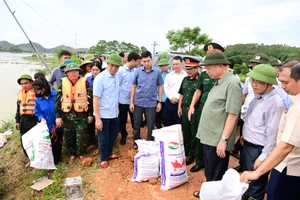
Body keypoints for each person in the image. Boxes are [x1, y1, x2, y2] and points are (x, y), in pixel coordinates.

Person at [241, 59, 300, 200]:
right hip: (269, 156)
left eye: (286, 82)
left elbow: (284, 144)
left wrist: (261, 163)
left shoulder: (281, 105)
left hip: (287, 166)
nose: (282, 86)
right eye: (252, 81)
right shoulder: (253, 97)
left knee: (261, 186)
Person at [196, 51, 242, 183]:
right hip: (210, 136)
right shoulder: (219, 81)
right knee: (210, 169)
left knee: (216, 172)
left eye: (209, 68)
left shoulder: (232, 83)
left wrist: (223, 140)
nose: (207, 71)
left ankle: (214, 194)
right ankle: (208, 192)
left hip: (218, 138)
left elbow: (232, 115)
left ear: (219, 66)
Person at [55, 63, 93, 166]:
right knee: (69, 136)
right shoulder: (63, 83)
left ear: (78, 72)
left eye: (75, 71)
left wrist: (90, 114)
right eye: (71, 71)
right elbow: (58, 100)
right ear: (67, 73)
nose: (73, 73)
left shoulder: (84, 82)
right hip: (67, 115)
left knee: (82, 136)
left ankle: (81, 153)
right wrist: (58, 116)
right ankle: (72, 153)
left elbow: (91, 99)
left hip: (81, 115)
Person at [93, 53, 122, 168]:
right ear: (107, 64)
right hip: (103, 114)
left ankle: (109, 153)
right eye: (112, 65)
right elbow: (96, 98)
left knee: (113, 134)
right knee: (103, 137)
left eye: (117, 66)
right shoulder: (100, 78)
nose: (114, 68)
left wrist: (117, 106)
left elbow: (115, 94)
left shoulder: (116, 76)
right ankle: (103, 158)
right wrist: (98, 119)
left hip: (114, 112)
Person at [130, 51, 163, 147]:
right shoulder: (138, 71)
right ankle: (136, 141)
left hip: (151, 103)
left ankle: (150, 142)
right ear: (141, 62)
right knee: (136, 124)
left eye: (148, 61)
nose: (146, 63)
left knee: (151, 124)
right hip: (138, 102)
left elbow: (160, 87)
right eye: (144, 61)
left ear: (152, 60)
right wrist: (131, 102)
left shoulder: (157, 72)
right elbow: (133, 86)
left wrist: (159, 102)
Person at [32, 77, 63, 165]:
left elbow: (62, 108)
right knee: (48, 144)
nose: (37, 92)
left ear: (44, 88)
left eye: (38, 90)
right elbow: (38, 112)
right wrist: (41, 118)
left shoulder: (56, 95)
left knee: (57, 144)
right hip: (47, 126)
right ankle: (48, 162)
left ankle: (57, 161)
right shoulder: (38, 100)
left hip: (58, 124)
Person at [177, 58, 201, 169]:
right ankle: (186, 151)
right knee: (185, 131)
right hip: (185, 109)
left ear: (196, 68)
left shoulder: (199, 80)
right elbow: (181, 94)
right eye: (187, 69)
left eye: (191, 69)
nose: (188, 71)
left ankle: (192, 154)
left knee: (193, 132)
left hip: (195, 110)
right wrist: (179, 107)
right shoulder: (185, 79)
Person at [15, 74, 39, 169]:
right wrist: (17, 121)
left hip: (34, 119)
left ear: (31, 82)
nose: (24, 85)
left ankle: (37, 161)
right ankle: (30, 159)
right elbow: (18, 108)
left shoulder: (36, 92)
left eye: (26, 83)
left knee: (35, 141)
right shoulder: (20, 92)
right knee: (24, 141)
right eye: (22, 84)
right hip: (23, 120)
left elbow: (41, 107)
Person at [117, 52, 141, 145]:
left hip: (133, 101)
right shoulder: (120, 71)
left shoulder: (136, 71)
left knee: (135, 120)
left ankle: (136, 138)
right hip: (122, 100)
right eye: (138, 62)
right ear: (132, 61)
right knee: (122, 120)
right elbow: (117, 86)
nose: (139, 64)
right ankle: (124, 135)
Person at [164, 56, 186, 126]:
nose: (175, 66)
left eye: (177, 64)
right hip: (170, 102)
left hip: (181, 103)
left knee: (179, 124)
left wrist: (179, 98)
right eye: (174, 64)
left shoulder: (186, 76)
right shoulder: (169, 75)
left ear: (182, 63)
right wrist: (171, 98)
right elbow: (166, 88)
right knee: (168, 123)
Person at [86, 60, 103, 151]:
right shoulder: (87, 80)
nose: (95, 71)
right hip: (90, 103)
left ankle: (101, 143)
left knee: (101, 122)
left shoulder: (103, 78)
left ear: (100, 70)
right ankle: (92, 141)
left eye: (97, 69)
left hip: (101, 103)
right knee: (91, 123)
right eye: (93, 69)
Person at [155, 58, 170, 128]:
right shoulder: (157, 73)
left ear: (168, 65)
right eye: (162, 66)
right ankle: (158, 127)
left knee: (166, 115)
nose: (163, 67)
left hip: (167, 97)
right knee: (157, 114)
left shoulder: (171, 74)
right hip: (158, 97)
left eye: (165, 65)